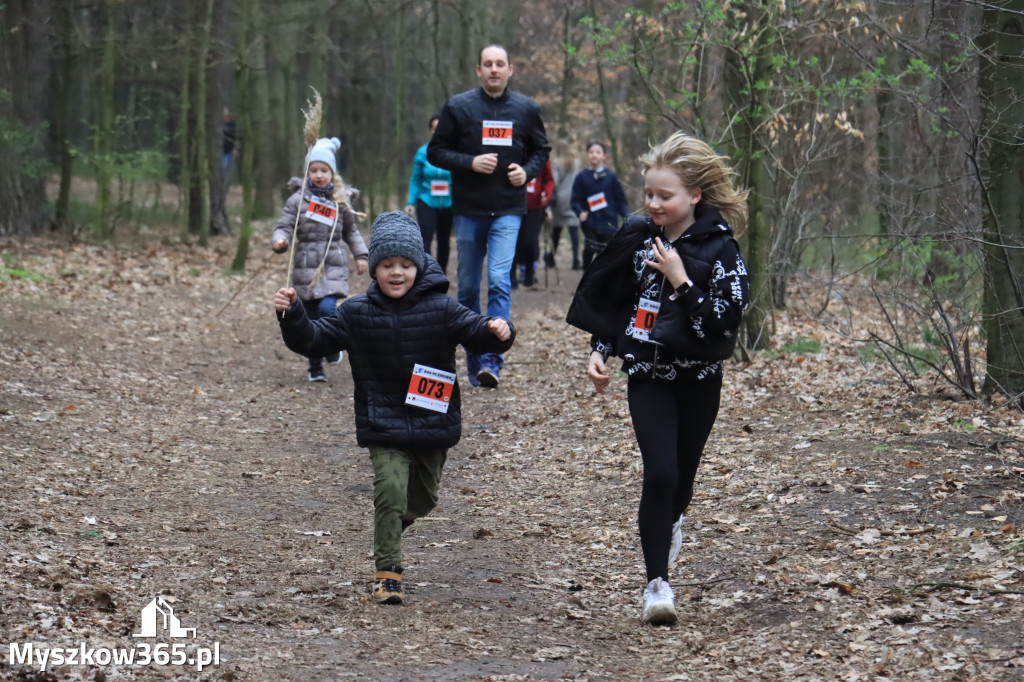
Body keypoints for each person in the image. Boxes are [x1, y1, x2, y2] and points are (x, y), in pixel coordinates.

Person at [274, 211, 516, 606]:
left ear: (418, 266)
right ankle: (388, 574)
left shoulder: (442, 308)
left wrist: (498, 332)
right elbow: (315, 341)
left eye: (405, 264)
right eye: (387, 265)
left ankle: (389, 526)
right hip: (383, 419)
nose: (397, 273)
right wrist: (293, 314)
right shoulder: (355, 312)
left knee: (423, 499)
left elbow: (477, 332)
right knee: (390, 490)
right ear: (374, 269)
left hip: (432, 418)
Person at [565, 132, 750, 625]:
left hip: (699, 380)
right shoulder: (638, 238)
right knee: (660, 473)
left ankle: (670, 523)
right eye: (649, 194)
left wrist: (680, 280)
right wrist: (600, 350)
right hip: (648, 375)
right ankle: (657, 586)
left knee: (681, 483)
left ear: (695, 196)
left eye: (664, 196)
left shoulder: (722, 250)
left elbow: (722, 324)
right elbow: (620, 303)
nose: (653, 204)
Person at [427, 44, 550, 388]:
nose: (494, 70)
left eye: (500, 64)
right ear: (478, 70)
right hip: (468, 209)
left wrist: (526, 173)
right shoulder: (458, 107)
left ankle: (493, 361)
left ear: (511, 70)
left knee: (498, 279)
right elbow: (435, 151)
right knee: (467, 286)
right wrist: (469, 162)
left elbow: (542, 149)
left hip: (509, 209)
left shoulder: (526, 109)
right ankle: (474, 360)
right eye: (488, 64)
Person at [273, 136, 369, 382]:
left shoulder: (340, 202)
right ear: (307, 173)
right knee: (310, 318)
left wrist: (361, 255)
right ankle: (315, 367)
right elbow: (284, 225)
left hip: (332, 266)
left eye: (323, 170)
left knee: (328, 308)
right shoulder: (298, 200)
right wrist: (280, 241)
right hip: (305, 268)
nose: (318, 175)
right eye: (313, 170)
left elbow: (350, 231)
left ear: (332, 173)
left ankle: (333, 346)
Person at [405, 115, 454, 273]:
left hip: (449, 203)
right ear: (430, 131)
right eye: (435, 129)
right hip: (426, 200)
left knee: (444, 240)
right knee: (426, 236)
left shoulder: (454, 152)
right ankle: (428, 273)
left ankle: (441, 273)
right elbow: (416, 179)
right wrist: (411, 202)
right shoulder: (422, 152)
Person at [571, 141, 630, 269]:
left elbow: (620, 200)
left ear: (604, 156)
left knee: (606, 252)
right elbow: (575, 200)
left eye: (598, 152)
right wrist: (580, 211)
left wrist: (627, 216)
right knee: (589, 247)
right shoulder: (581, 177)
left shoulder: (611, 176)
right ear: (587, 155)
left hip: (608, 221)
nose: (594, 155)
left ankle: (602, 279)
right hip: (590, 221)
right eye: (591, 152)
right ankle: (586, 273)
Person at [511, 159, 553, 289]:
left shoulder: (540, 156)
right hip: (512, 205)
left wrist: (546, 194)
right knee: (512, 240)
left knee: (530, 240)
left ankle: (529, 271)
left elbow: (549, 180)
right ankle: (511, 275)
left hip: (535, 207)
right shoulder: (513, 152)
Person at [546, 139, 582, 271]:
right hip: (574, 198)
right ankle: (575, 260)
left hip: (561, 199)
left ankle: (551, 257)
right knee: (574, 229)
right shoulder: (576, 162)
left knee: (557, 230)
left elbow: (554, 181)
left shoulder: (555, 163)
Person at [222, 108, 237, 182]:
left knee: (225, 166)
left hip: (228, 149)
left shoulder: (233, 124)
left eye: (226, 114)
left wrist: (234, 148)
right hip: (220, 149)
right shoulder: (221, 124)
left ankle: (225, 181)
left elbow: (234, 137)